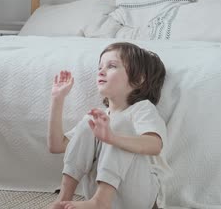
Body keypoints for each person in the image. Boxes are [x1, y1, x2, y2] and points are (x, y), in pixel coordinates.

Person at [47, 42, 169, 209]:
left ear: (139, 79)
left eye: (111, 66)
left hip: (138, 194)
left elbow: (155, 145)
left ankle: (101, 201)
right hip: (106, 198)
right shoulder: (99, 117)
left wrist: (113, 138)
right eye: (100, 67)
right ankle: (63, 198)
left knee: (118, 124)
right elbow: (56, 145)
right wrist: (57, 99)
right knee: (88, 123)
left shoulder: (142, 108)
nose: (101, 71)